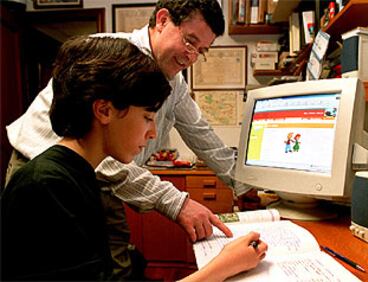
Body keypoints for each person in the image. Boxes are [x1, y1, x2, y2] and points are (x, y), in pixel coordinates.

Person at [5, 0, 259, 278]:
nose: (191, 56)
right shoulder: (109, 58)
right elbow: (88, 143)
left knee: (116, 265)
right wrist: (215, 266)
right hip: (49, 176)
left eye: (201, 51)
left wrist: (244, 184)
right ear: (162, 20)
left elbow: (202, 135)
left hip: (93, 177)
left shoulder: (174, 82)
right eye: (190, 42)